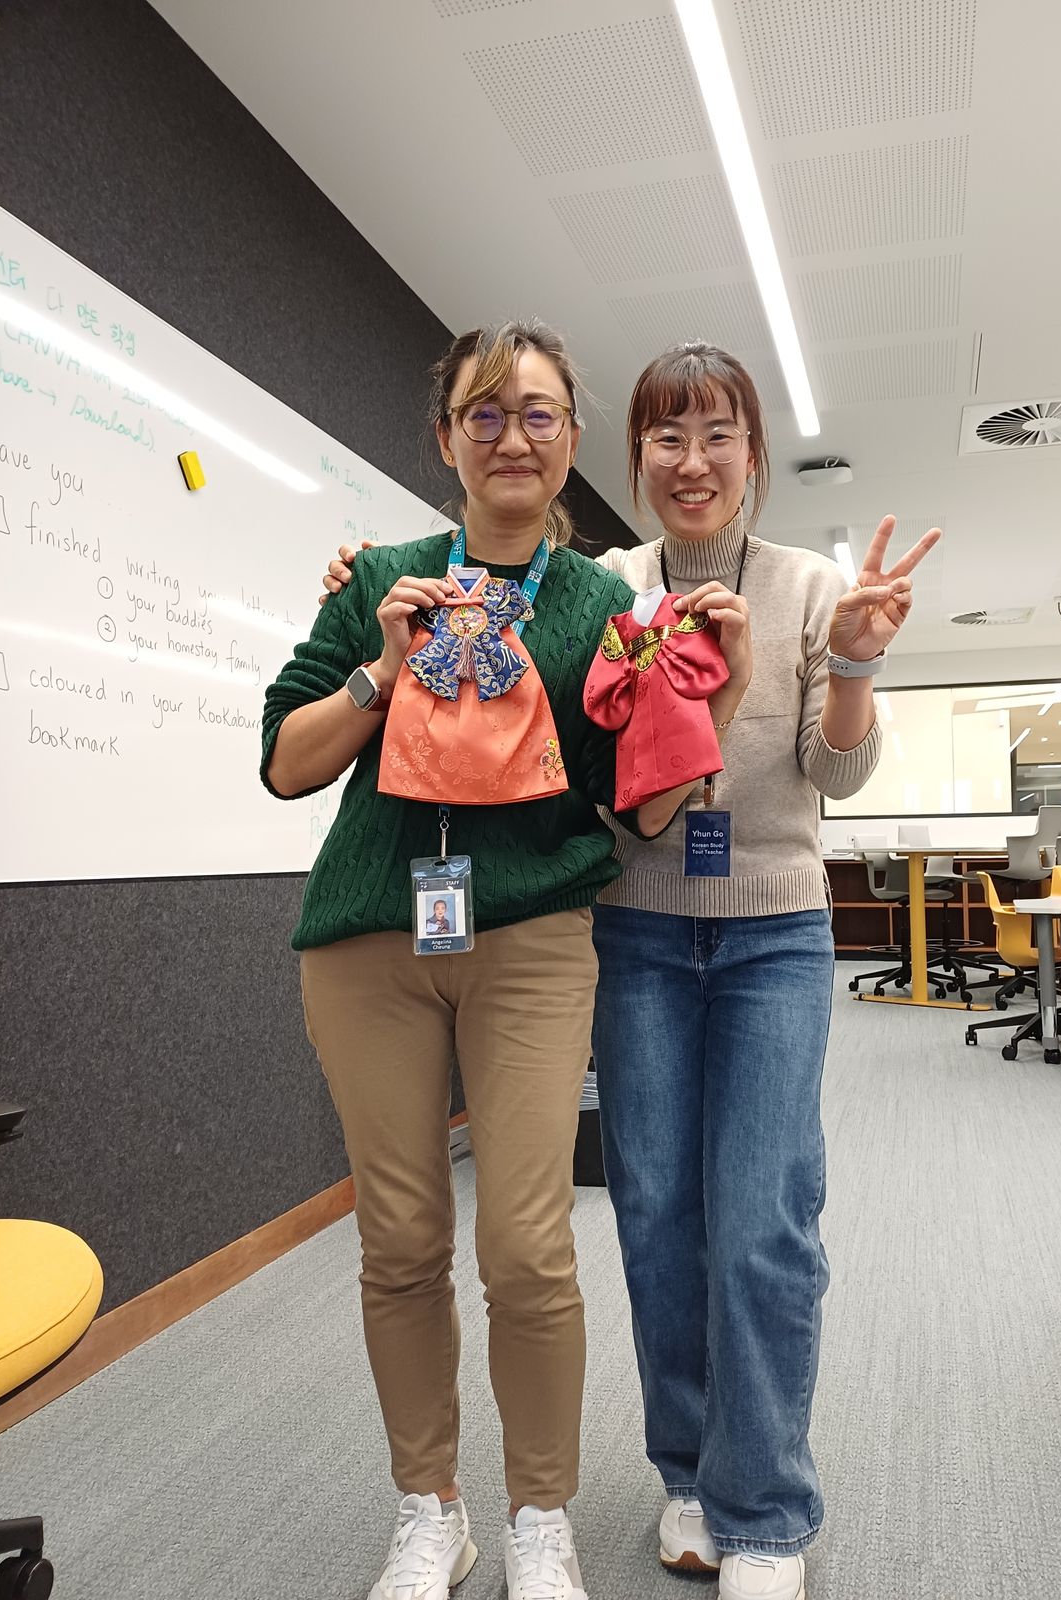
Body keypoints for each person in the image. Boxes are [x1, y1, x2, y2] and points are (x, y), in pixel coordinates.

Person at [323, 341, 936, 1600]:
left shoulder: (811, 585)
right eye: (666, 436)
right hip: (639, 930)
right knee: (654, 1219)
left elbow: (836, 772)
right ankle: (691, 1476)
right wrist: (358, 574)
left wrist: (856, 662)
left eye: (718, 436)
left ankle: (767, 1509)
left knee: (763, 1220)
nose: (692, 460)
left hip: (772, 934)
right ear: (635, 457)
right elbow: (493, 600)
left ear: (754, 456)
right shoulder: (605, 587)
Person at [266, 320, 750, 1600]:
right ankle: (432, 1511)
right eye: (484, 414)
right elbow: (284, 762)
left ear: (571, 440)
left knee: (529, 1247)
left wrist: (711, 706)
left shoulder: (602, 607)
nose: (513, 438)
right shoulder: (379, 576)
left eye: (538, 414)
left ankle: (541, 1517)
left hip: (533, 939)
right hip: (371, 940)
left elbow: (640, 805)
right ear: (447, 439)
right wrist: (380, 667)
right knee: (400, 1239)